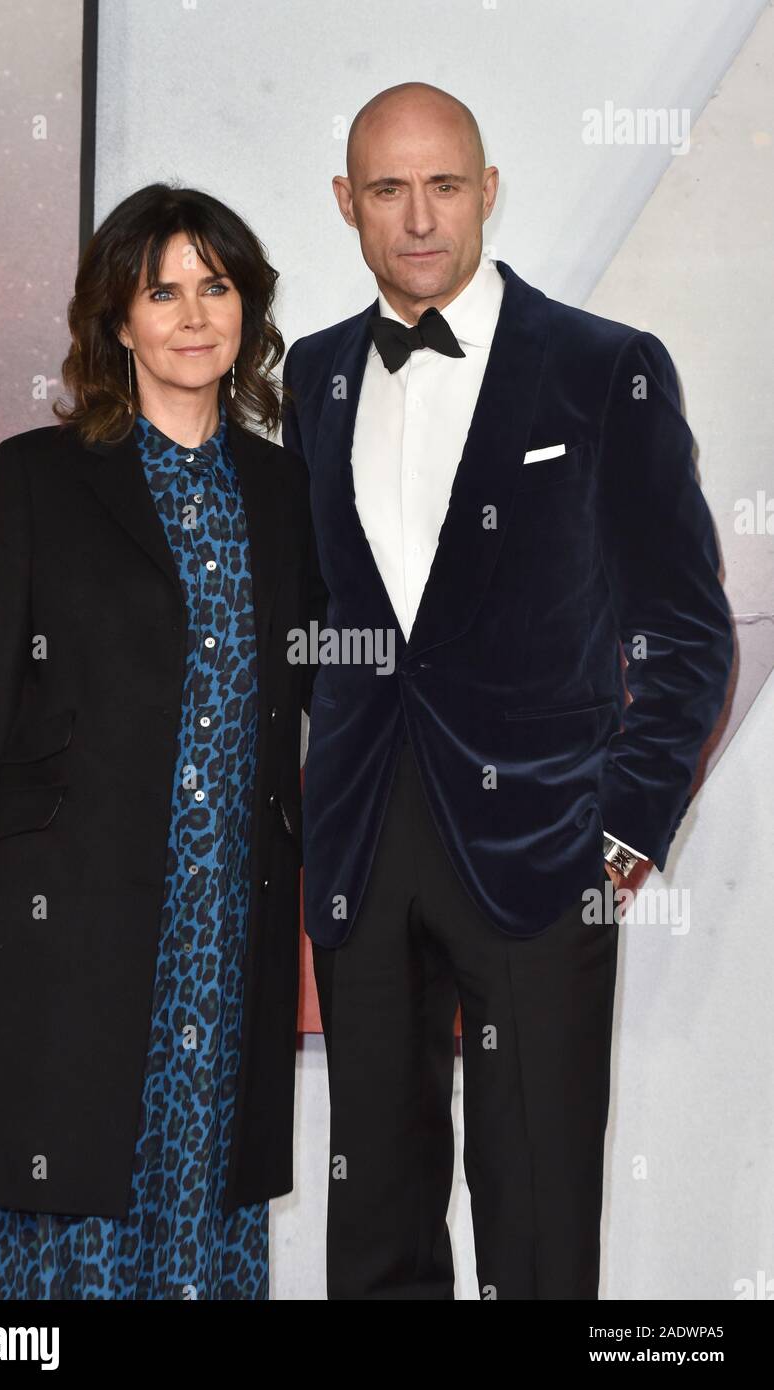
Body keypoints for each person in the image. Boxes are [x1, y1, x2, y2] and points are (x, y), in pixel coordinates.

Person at [282, 82, 734, 1299]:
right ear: (346, 205)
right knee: (373, 1206)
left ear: (488, 192)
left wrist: (626, 832)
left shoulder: (603, 370)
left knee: (535, 1218)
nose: (418, 217)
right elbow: (320, 623)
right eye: (387, 188)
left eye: (443, 185)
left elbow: (684, 631)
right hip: (364, 843)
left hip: (543, 849)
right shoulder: (313, 379)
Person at [0, 182, 320, 1299]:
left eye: (217, 285)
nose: (194, 314)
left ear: (245, 308)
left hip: (229, 908)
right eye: (163, 291)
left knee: (206, 1185)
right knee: (73, 1187)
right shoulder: (42, 474)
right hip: (69, 901)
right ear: (117, 319)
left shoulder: (281, 487)